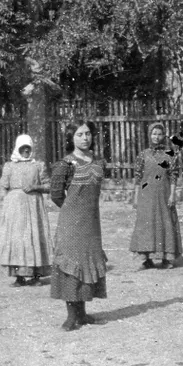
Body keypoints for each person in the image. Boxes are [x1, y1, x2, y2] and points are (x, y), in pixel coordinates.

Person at [50, 120, 108, 330]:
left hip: (91, 224)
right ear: (71, 138)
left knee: (86, 263)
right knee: (72, 265)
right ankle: (71, 316)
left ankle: (82, 314)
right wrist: (72, 212)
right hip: (71, 224)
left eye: (88, 134)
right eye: (80, 134)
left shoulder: (99, 162)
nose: (85, 138)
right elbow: (56, 195)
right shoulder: (65, 164)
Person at [0, 134, 52, 287]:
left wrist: (36, 187)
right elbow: (3, 186)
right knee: (18, 240)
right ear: (17, 148)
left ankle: (36, 276)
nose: (26, 151)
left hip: (34, 207)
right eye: (23, 148)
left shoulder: (38, 165)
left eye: (28, 148)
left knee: (34, 238)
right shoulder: (9, 166)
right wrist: (7, 205)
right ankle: (19, 277)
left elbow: (48, 186)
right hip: (15, 209)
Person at [128, 123, 183, 270]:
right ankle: (146, 259)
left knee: (165, 223)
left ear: (163, 135)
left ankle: (167, 258)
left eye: (159, 134)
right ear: (149, 135)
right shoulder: (143, 154)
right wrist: (135, 197)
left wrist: (172, 194)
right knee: (146, 225)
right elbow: (138, 178)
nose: (156, 137)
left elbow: (173, 176)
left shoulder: (170, 153)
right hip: (146, 195)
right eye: (154, 134)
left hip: (164, 194)